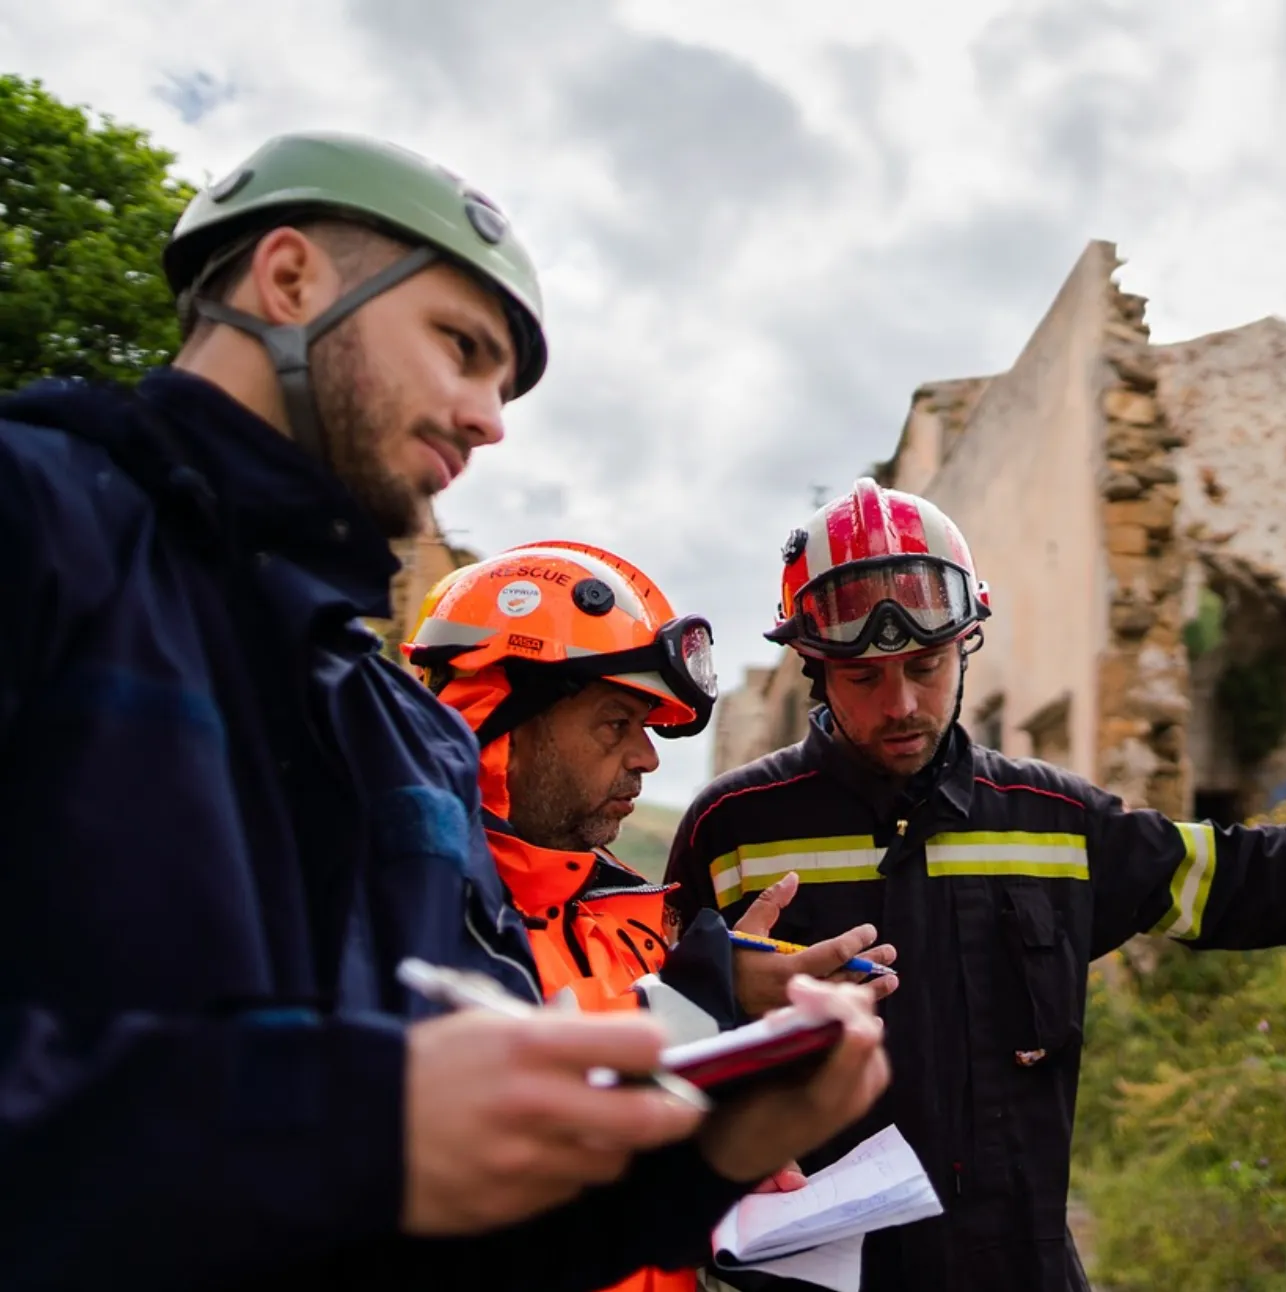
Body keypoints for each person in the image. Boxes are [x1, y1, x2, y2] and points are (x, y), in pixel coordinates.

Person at [0, 131, 887, 1292]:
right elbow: (369, 1137)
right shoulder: (36, 526)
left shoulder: (405, 736)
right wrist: (348, 1122)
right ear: (289, 278)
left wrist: (710, 1151)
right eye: (461, 349)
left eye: (503, 383)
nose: (489, 418)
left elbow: (453, 1214)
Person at [663, 478, 1286, 1291]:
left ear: (967, 645)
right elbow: (627, 1022)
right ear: (814, 669)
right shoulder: (731, 829)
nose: (901, 703)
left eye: (928, 665)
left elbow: (1243, 877)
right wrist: (716, 1015)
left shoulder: (1051, 820)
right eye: (864, 677)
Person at [407, 538, 811, 1292]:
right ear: (498, 722)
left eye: (648, 730)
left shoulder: (635, 920)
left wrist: (734, 1137)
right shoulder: (401, 919)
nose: (648, 759)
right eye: (615, 723)